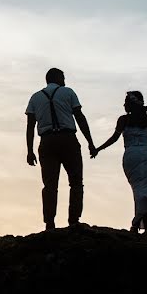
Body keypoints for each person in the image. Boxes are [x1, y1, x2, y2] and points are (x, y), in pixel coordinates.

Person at [90, 91, 147, 235]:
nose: (123, 104)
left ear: (131, 104)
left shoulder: (123, 120)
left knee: (138, 192)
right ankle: (145, 228)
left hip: (131, 157)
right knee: (146, 191)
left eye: (126, 101)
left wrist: (98, 149)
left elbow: (114, 138)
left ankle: (137, 226)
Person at [25, 68, 97, 230]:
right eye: (63, 77)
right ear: (57, 78)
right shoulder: (68, 92)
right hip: (68, 140)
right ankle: (74, 220)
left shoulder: (35, 97)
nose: (65, 80)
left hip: (47, 141)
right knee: (76, 181)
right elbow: (79, 117)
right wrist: (90, 142)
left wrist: (29, 150)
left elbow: (30, 126)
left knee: (50, 184)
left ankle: (49, 222)